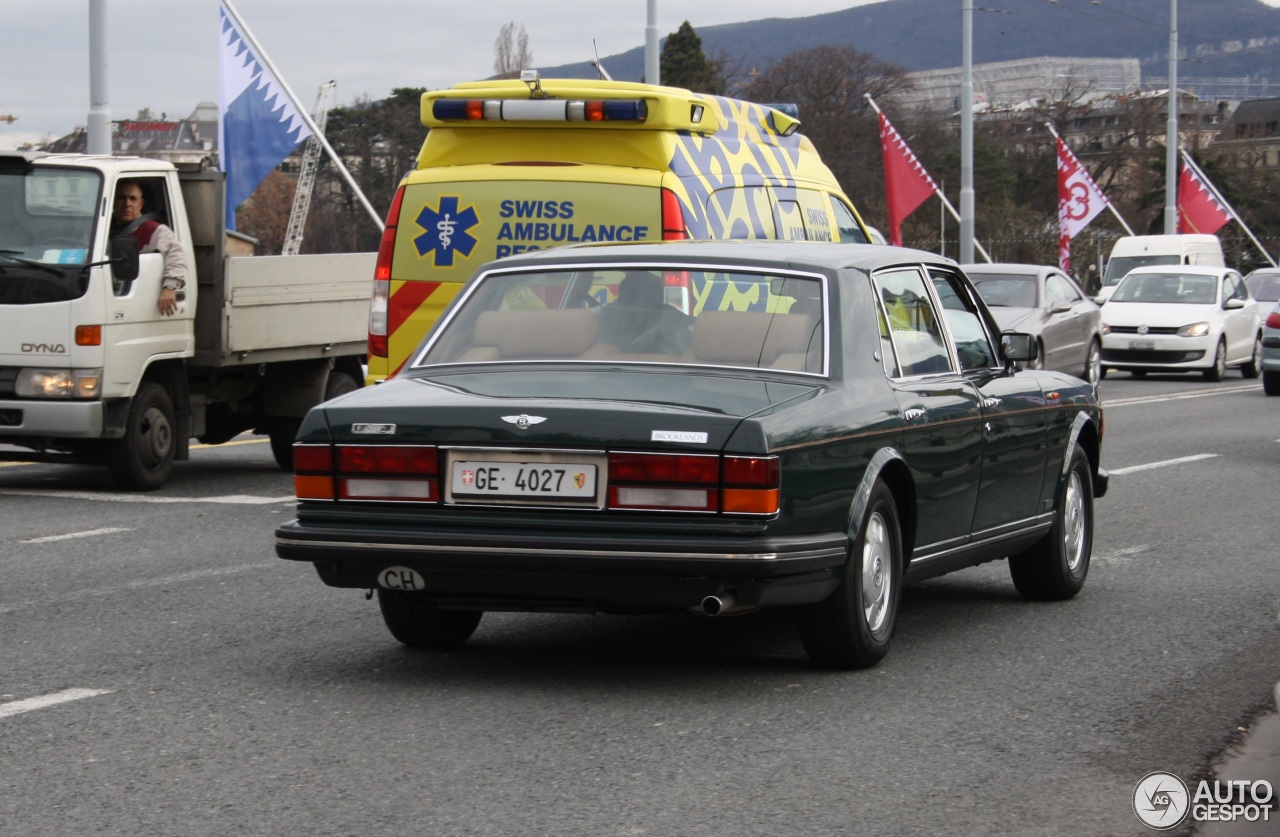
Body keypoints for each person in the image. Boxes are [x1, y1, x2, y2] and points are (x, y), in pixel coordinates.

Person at [110, 179, 188, 316]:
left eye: (132, 199)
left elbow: (177, 255)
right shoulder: (101, 230)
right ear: (113, 202)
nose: (127, 203)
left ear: (141, 204)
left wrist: (169, 288)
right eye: (121, 198)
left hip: (139, 305)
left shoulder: (155, 231)